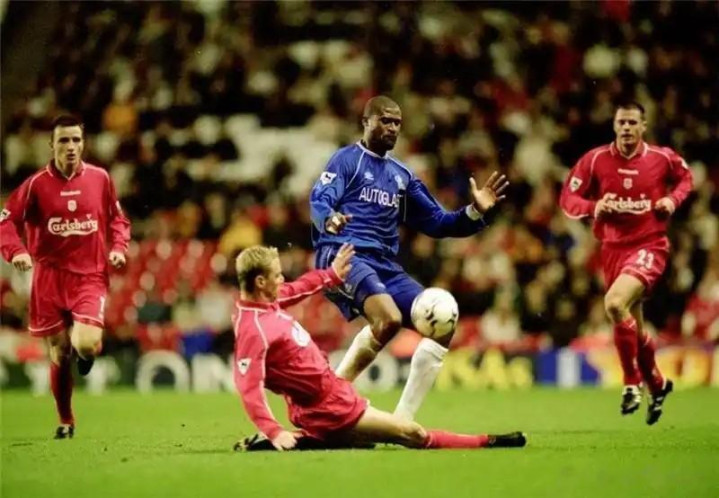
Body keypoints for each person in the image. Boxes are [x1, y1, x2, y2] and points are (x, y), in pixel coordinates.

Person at [309, 96, 508, 421]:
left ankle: (402, 419)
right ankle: (331, 397)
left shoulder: (401, 176)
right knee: (388, 318)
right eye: (385, 121)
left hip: (384, 266)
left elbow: (439, 223)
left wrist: (474, 211)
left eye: (397, 123)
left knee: (444, 324)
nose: (392, 128)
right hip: (342, 254)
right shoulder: (346, 160)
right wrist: (330, 218)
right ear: (366, 122)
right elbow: (319, 200)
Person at [232, 244, 526, 452]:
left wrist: (331, 275)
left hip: (325, 394)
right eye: (277, 275)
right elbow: (248, 388)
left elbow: (298, 288)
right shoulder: (253, 329)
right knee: (411, 434)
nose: (282, 279)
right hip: (326, 407)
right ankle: (489, 441)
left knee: (363, 442)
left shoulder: (265, 302)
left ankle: (304, 439)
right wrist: (273, 430)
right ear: (260, 281)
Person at [560, 101, 693, 424]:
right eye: (622, 122)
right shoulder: (595, 160)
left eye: (633, 122)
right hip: (612, 250)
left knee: (614, 303)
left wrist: (671, 200)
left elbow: (686, 179)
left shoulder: (662, 158)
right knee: (634, 326)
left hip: (649, 245)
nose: (627, 128)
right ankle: (658, 385)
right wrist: (594, 207)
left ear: (643, 126)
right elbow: (568, 199)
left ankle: (631, 383)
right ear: (614, 125)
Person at [0, 115, 131, 439]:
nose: (71, 146)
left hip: (89, 275)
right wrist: (16, 251)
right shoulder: (35, 185)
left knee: (84, 343)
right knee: (59, 351)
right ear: (52, 145)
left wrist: (119, 247)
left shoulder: (100, 178)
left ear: (83, 144)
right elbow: (5, 221)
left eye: (76, 140)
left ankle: (88, 353)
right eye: (64, 140)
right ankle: (66, 420)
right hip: (48, 278)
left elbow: (118, 220)